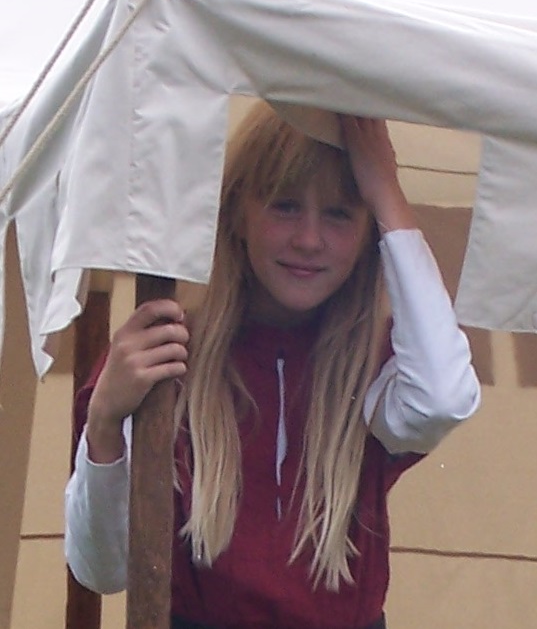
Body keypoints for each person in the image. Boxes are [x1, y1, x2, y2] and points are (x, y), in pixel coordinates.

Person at [65, 102, 480, 629]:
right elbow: (101, 570)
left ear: (369, 235)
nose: (308, 239)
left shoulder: (376, 369)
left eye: (339, 214)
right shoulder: (163, 354)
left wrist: (385, 192)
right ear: (238, 212)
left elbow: (443, 398)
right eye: (285, 206)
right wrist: (104, 421)